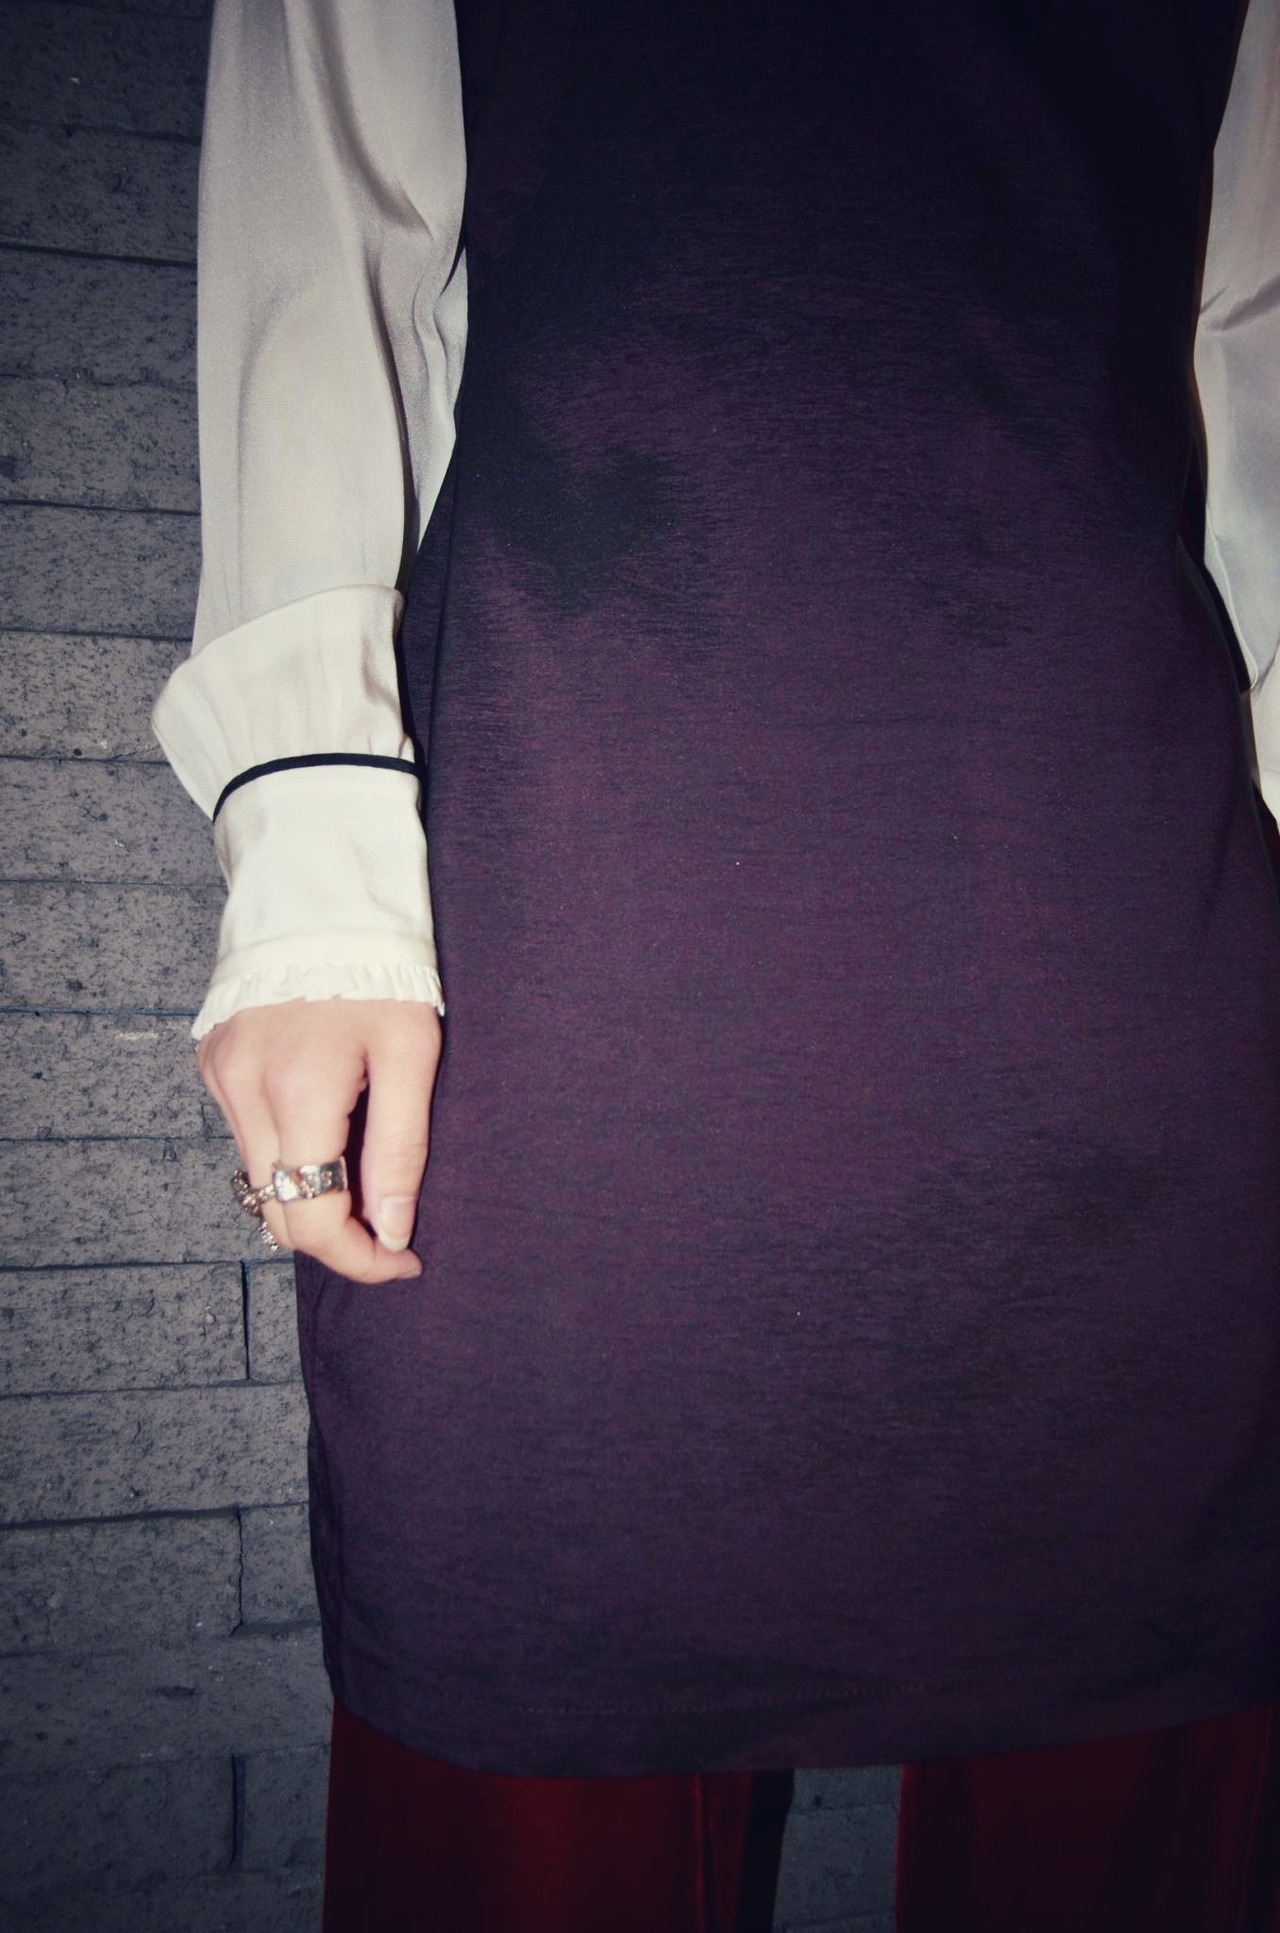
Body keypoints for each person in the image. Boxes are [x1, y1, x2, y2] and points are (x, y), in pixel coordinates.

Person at [154, 0, 1280, 1925]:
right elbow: (326, 228)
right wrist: (307, 844)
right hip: (572, 856)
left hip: (1126, 887)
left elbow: (1253, 346)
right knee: (524, 1697)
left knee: (1154, 1691)